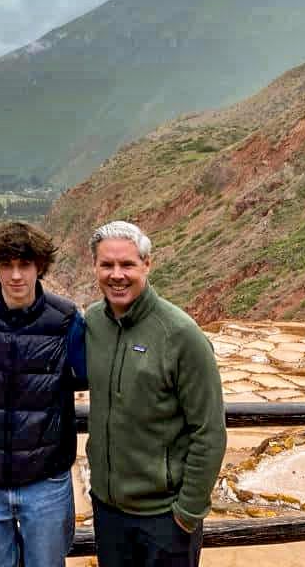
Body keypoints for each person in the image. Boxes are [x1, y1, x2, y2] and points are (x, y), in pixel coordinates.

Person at [84, 221, 226, 567]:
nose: (117, 275)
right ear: (95, 267)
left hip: (165, 518)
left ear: (148, 264)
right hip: (109, 513)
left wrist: (187, 512)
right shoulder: (91, 323)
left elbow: (209, 430)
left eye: (127, 264)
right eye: (107, 265)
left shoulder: (181, 335)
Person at [0, 221, 86, 567]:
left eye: (24, 265)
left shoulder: (65, 320)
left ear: (39, 267)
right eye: (7, 266)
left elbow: (88, 375)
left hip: (45, 480)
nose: (16, 276)